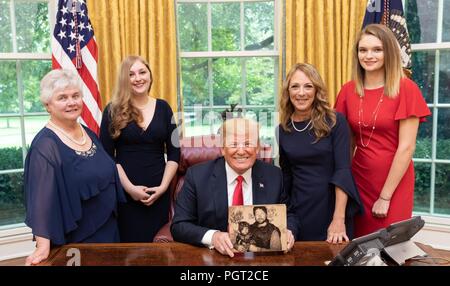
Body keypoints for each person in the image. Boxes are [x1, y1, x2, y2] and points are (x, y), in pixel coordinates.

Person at [335, 24, 431, 237]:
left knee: (389, 246)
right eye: (363, 50)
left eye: (377, 49)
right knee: (358, 248)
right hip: (359, 180)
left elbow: (407, 147)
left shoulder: (406, 89)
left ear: (389, 52)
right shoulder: (348, 90)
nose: (369, 55)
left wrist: (385, 196)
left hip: (393, 185)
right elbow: (345, 144)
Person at [24, 69, 126, 265]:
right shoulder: (45, 146)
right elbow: (40, 200)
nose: (71, 102)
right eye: (62, 98)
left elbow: (107, 172)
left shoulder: (88, 132)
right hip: (78, 241)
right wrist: (42, 246)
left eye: (75, 96)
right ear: (48, 105)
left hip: (109, 229)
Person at [171, 118, 295, 257]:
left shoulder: (274, 176)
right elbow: (179, 225)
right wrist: (213, 237)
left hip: (261, 259)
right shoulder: (197, 176)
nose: (241, 151)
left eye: (248, 143)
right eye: (234, 144)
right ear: (223, 149)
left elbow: (290, 214)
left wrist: (288, 231)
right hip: (214, 258)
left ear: (257, 148)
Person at [278, 63, 363, 243]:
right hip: (299, 209)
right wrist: (283, 218)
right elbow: (286, 177)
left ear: (317, 90)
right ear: (288, 91)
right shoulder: (282, 129)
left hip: (332, 207)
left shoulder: (335, 121)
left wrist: (338, 219)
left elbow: (343, 171)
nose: (301, 93)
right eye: (295, 86)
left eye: (308, 86)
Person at [100, 55, 180, 242]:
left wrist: (163, 187)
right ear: (124, 80)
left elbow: (175, 153)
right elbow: (106, 157)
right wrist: (129, 188)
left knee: (159, 248)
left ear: (150, 76)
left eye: (142, 72)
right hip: (125, 194)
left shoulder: (164, 108)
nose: (138, 78)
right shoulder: (112, 110)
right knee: (130, 251)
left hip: (158, 192)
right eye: (131, 74)